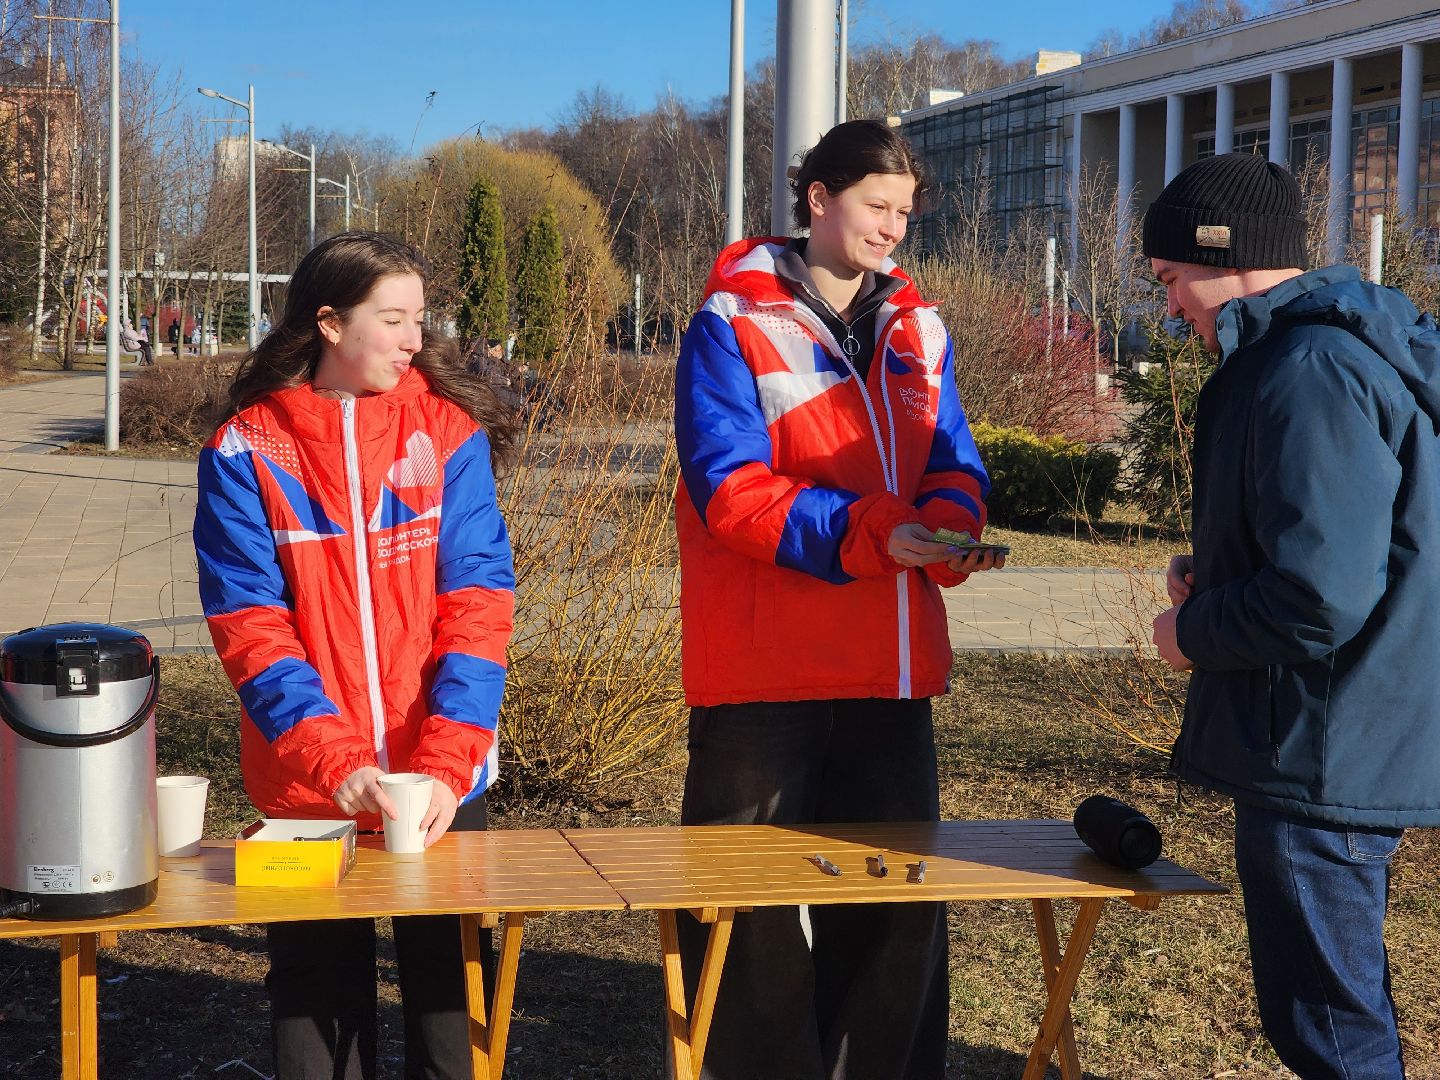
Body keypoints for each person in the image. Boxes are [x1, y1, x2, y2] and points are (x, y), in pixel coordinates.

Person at [672, 119, 1001, 1080]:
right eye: (875, 206)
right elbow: (729, 491)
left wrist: (948, 529)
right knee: (747, 923)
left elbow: (956, 460)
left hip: (891, 673)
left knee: (897, 917)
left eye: (904, 212)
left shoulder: (920, 326)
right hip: (760, 677)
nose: (893, 228)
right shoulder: (728, 324)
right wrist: (869, 534)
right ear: (818, 199)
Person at [193, 232, 517, 1080]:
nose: (417, 339)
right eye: (394, 319)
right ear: (330, 324)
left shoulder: (447, 433)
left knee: (451, 1011)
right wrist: (335, 761)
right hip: (306, 788)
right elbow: (249, 626)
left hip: (440, 785)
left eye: (420, 318)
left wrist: (448, 763)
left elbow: (478, 609)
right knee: (316, 1014)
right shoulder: (245, 448)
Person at [1146, 153, 1440, 1080]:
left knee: (1333, 1032)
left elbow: (1320, 593)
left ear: (1218, 256)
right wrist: (1221, 566)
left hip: (1318, 746)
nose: (1169, 306)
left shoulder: (1307, 366)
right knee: (1338, 1014)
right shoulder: (1335, 350)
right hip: (1342, 734)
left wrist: (1190, 635)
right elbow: (1365, 543)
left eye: (1170, 278)